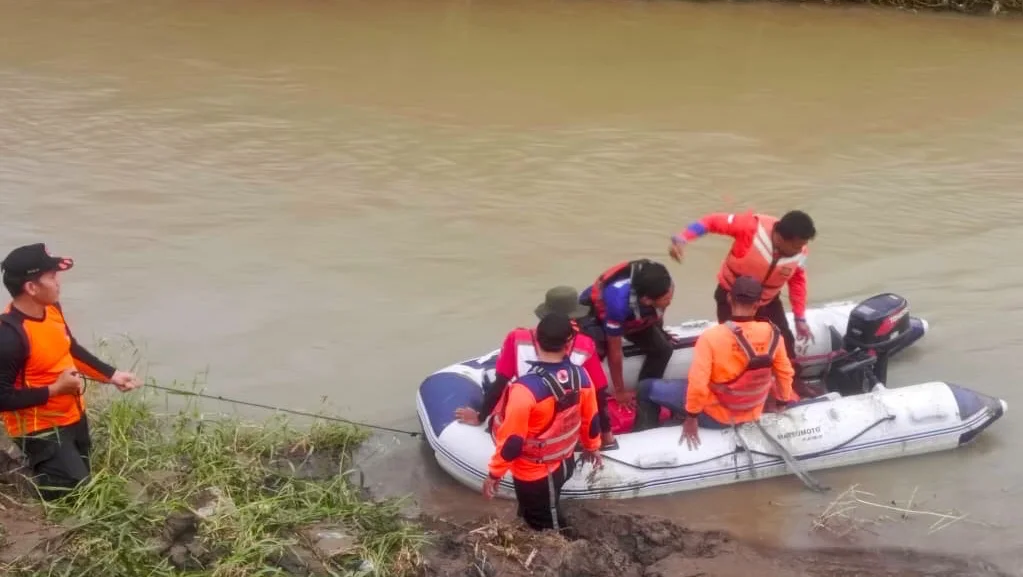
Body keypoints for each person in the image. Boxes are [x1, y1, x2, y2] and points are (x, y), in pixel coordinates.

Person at [0, 243, 141, 501]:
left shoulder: (52, 309)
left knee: (87, 481)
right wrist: (55, 390)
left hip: (73, 414)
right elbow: (2, 398)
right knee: (75, 493)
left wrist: (112, 375)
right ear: (31, 288)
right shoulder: (9, 336)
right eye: (52, 276)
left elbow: (70, 348)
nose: (58, 282)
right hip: (38, 428)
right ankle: (23, 473)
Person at [454, 286, 618, 449]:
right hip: (563, 432)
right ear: (574, 317)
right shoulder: (585, 345)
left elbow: (500, 383)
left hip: (526, 423)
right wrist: (607, 436)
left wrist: (481, 416)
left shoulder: (516, 339)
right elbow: (598, 393)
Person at [482, 312, 603, 532]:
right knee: (542, 506)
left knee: (549, 526)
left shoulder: (524, 390)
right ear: (569, 343)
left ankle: (569, 551)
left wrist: (494, 474)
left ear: (536, 342)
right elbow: (591, 419)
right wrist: (593, 447)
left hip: (535, 473)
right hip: (565, 460)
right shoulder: (582, 377)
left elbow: (512, 442)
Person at [667, 209, 816, 368]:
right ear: (780, 238)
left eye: (803, 244)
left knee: (784, 340)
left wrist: (799, 318)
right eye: (797, 245)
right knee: (735, 346)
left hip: (767, 301)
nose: (801, 250)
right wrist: (683, 238)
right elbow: (711, 222)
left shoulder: (800, 252)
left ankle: (793, 385)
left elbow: (797, 283)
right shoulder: (750, 227)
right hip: (732, 299)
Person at [677, 276, 797, 449]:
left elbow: (697, 384)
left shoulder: (710, 337)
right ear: (758, 304)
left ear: (728, 298)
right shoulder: (773, 334)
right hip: (754, 410)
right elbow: (785, 372)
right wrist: (782, 403)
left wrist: (691, 418)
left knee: (648, 387)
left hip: (717, 416)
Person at [577, 259, 676, 407]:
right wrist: (620, 391)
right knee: (598, 352)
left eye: (670, 295)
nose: (670, 300)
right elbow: (615, 351)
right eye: (666, 298)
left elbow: (658, 311)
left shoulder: (664, 285)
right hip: (596, 313)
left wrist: (660, 331)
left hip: (632, 313)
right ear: (647, 300)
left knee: (664, 349)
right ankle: (592, 399)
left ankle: (645, 392)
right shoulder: (617, 302)